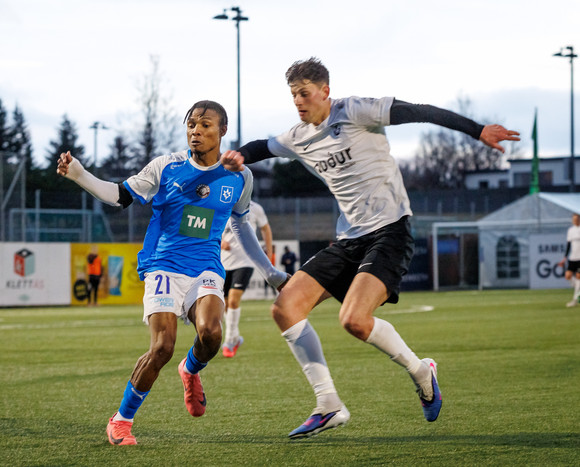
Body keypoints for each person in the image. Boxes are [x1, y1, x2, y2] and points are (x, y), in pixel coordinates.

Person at [221, 57, 520, 439]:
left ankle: (421, 372)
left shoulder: (356, 111)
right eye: (293, 94)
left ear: (325, 91)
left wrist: (477, 130)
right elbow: (261, 146)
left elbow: (419, 111)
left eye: (304, 93)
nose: (298, 101)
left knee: (354, 320)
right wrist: (240, 156)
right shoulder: (297, 136)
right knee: (285, 308)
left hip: (391, 231)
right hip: (349, 239)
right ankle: (328, 404)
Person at [56, 100, 287, 446]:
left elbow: (241, 225)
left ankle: (190, 369)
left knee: (211, 334)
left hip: (206, 267)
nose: (196, 131)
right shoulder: (166, 166)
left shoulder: (240, 176)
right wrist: (79, 174)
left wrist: (269, 271)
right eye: (191, 124)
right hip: (163, 265)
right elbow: (120, 195)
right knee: (163, 347)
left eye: (205, 125)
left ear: (222, 130)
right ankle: (121, 420)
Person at [220, 200, 273, 357]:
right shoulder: (222, 203)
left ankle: (229, 341)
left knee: (233, 300)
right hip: (223, 261)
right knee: (225, 303)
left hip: (246, 261)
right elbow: (211, 228)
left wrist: (269, 252)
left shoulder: (255, 208)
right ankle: (235, 337)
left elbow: (265, 228)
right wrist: (220, 242)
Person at [558, 213, 580, 307]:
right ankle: (578, 291)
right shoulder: (570, 230)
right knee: (568, 276)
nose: (575, 220)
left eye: (577, 219)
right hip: (573, 257)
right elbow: (568, 245)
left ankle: (575, 299)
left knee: (578, 277)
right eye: (573, 219)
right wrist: (565, 258)